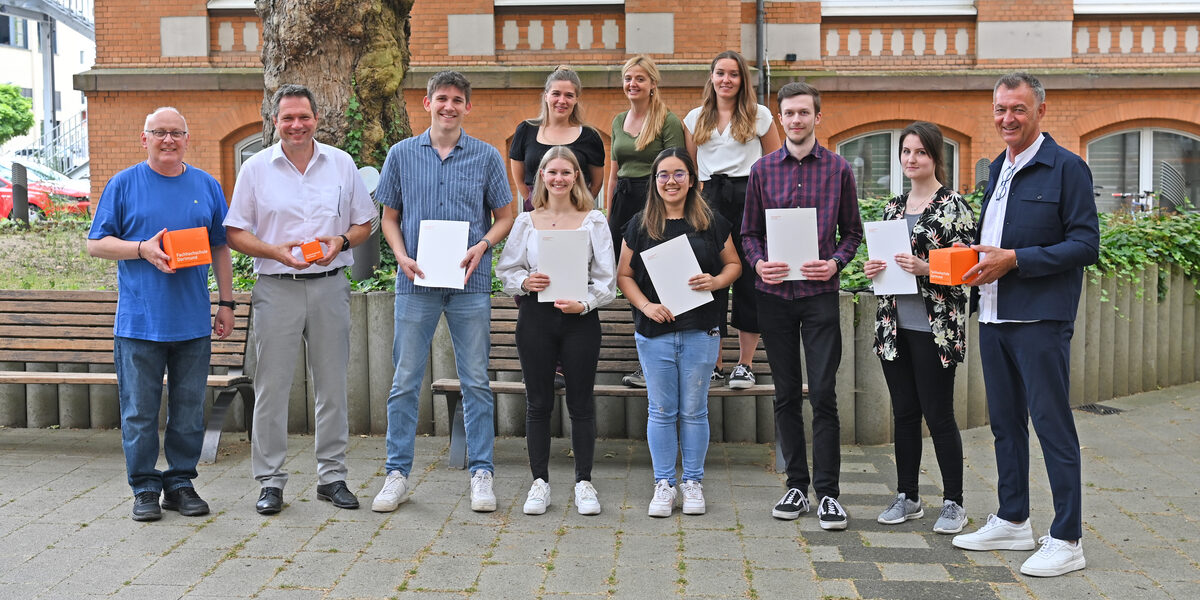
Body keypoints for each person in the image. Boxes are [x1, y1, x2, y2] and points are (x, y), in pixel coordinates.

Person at [952, 72, 1099, 578]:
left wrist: (1017, 260)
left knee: (1052, 427)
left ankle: (1067, 537)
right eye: (999, 109)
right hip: (992, 316)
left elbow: (1085, 245)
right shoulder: (998, 168)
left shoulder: (1068, 169)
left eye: (1017, 109)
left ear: (1040, 110)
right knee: (1005, 425)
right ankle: (1013, 518)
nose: (1007, 119)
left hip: (1039, 320)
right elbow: (996, 236)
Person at [225, 84, 375, 515]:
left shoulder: (341, 164)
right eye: (287, 118)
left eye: (303, 117)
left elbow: (365, 223)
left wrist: (342, 240)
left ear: (315, 119)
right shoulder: (255, 169)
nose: (296, 125)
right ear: (275, 122)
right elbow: (234, 231)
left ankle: (332, 477)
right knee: (272, 388)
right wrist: (272, 251)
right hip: (276, 287)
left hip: (330, 284)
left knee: (332, 385)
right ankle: (270, 482)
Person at [370, 71, 514, 514]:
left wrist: (483, 245)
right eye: (441, 99)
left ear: (467, 107)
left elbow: (506, 216)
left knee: (475, 381)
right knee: (404, 381)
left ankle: (481, 474)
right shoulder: (401, 155)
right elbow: (389, 216)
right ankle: (397, 474)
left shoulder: (487, 157)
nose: (448, 106)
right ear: (427, 103)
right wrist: (399, 255)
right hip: (415, 282)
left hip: (468, 284)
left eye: (457, 100)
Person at [87, 107, 234, 522]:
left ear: (187, 138)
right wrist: (141, 249)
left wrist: (227, 302)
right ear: (144, 138)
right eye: (159, 133)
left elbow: (220, 245)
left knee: (188, 410)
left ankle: (181, 483)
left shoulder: (206, 185)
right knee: (139, 412)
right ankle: (145, 488)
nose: (168, 140)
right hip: (139, 323)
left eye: (176, 133)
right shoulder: (123, 184)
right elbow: (96, 244)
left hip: (191, 322)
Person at [742, 82, 863, 529]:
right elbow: (749, 233)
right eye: (788, 113)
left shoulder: (838, 170)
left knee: (825, 394)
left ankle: (829, 494)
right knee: (786, 394)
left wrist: (835, 264)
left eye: (803, 113)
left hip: (818, 297)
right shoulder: (762, 170)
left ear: (817, 116)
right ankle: (796, 485)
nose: (796, 120)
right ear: (780, 118)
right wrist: (758, 264)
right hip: (774, 297)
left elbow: (852, 232)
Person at [862, 122, 976, 534]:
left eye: (920, 153)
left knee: (938, 415)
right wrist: (872, 269)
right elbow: (885, 267)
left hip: (935, 329)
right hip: (895, 327)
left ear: (935, 157)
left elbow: (968, 270)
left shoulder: (953, 206)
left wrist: (927, 268)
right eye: (906, 152)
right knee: (905, 414)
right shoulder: (894, 207)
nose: (911, 160)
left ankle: (953, 503)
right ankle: (907, 496)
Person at [617, 147, 741, 518]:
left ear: (692, 179)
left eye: (678, 174)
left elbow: (734, 264)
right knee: (660, 410)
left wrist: (716, 280)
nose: (671, 181)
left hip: (701, 329)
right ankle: (664, 484)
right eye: (663, 175)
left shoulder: (710, 221)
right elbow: (624, 275)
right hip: (654, 330)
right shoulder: (640, 223)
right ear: (654, 182)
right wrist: (645, 305)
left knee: (693, 410)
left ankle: (693, 482)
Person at [495, 146, 616, 516]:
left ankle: (584, 483)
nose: (560, 178)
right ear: (541, 177)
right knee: (538, 404)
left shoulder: (593, 220)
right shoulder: (526, 222)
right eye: (553, 172)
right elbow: (506, 272)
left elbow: (607, 281)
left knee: (581, 403)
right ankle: (540, 483)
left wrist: (587, 303)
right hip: (536, 319)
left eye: (567, 172)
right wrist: (525, 282)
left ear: (576, 176)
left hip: (580, 319)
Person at [683, 50, 781, 389]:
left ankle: (745, 364)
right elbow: (690, 170)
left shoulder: (759, 115)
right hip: (709, 201)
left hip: (751, 198)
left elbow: (775, 164)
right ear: (711, 77)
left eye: (734, 74)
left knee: (749, 279)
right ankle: (715, 362)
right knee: (711, 278)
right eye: (720, 73)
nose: (726, 80)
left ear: (743, 80)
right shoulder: (695, 118)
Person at [607, 55, 686, 388]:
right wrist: (609, 215)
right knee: (630, 278)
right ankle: (646, 362)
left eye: (640, 78)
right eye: (628, 78)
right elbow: (614, 172)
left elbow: (676, 167)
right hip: (624, 201)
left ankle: (665, 362)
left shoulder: (667, 120)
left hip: (654, 200)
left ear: (653, 83)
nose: (632, 84)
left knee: (659, 278)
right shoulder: (618, 120)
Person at [509, 66, 606, 213]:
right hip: (536, 213)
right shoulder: (525, 130)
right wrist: (537, 206)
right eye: (556, 94)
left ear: (576, 99)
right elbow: (519, 181)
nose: (562, 100)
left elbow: (596, 184)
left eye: (569, 95)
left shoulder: (589, 136)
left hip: (577, 214)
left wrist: (578, 208)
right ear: (546, 96)